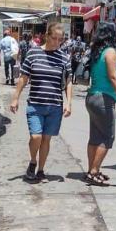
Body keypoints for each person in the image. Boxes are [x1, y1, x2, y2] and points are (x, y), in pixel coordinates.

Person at [10, 23, 73, 182]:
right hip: (35, 105)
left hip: (55, 106)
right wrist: (15, 98)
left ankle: (41, 170)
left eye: (60, 40)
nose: (57, 42)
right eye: (54, 38)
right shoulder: (33, 54)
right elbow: (24, 78)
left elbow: (68, 81)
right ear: (46, 35)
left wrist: (69, 102)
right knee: (36, 137)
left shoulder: (64, 58)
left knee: (46, 139)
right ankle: (32, 161)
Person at [84, 22, 116, 186]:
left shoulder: (97, 52)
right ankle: (94, 171)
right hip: (103, 99)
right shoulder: (110, 52)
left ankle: (91, 170)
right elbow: (112, 77)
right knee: (107, 137)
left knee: (95, 136)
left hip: (93, 97)